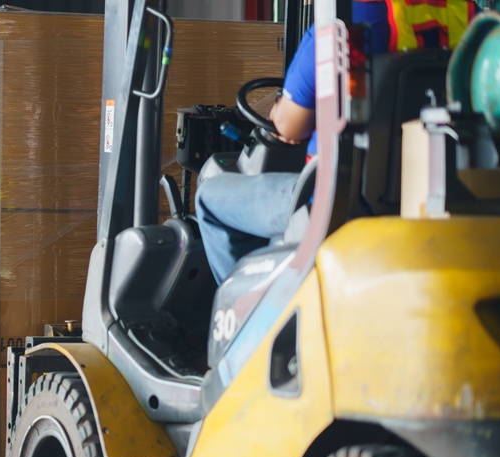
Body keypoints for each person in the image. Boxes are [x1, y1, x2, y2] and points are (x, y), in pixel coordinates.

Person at [195, 0, 473, 284]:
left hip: (339, 198)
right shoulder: (467, 15)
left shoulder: (349, 16)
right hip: (432, 194)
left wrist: (280, 107)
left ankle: (247, 320)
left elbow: (290, 126)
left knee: (208, 198)